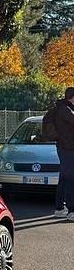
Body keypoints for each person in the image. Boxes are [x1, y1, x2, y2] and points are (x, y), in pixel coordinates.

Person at [53, 87, 74, 220]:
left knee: (64, 177)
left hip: (64, 147)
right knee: (70, 178)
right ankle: (71, 211)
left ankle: (59, 208)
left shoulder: (63, 107)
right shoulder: (65, 110)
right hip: (68, 148)